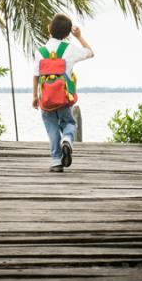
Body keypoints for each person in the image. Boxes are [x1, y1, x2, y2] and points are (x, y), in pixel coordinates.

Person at [32, 13, 94, 172]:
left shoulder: (40, 52)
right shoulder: (69, 49)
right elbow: (90, 52)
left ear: (49, 29)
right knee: (70, 123)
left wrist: (34, 97)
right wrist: (79, 37)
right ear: (67, 34)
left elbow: (36, 75)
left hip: (46, 99)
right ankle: (67, 139)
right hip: (64, 97)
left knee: (52, 128)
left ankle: (56, 162)